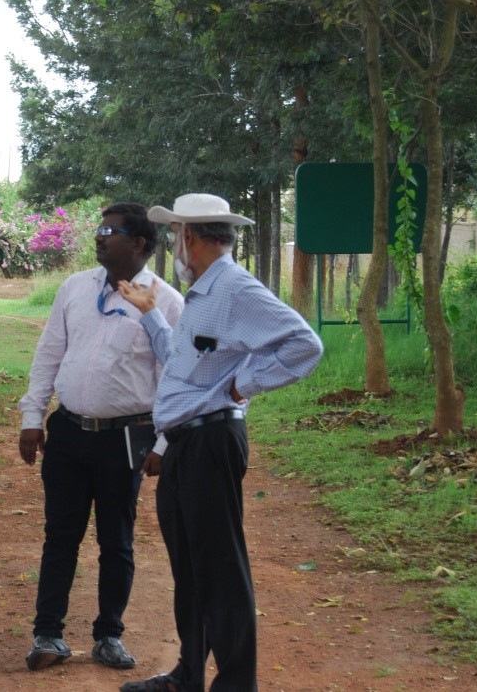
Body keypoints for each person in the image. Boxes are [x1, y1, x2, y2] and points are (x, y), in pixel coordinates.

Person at [116, 194, 323, 692]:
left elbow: (305, 345)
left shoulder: (234, 288)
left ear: (190, 237)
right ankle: (189, 674)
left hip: (212, 441)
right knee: (189, 566)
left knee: (221, 569)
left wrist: (243, 385)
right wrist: (151, 314)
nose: (173, 246)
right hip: (186, 443)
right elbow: (186, 365)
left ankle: (235, 684)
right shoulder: (204, 293)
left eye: (175, 236)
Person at [18, 203, 184, 672]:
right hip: (68, 432)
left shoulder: (166, 301)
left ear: (139, 243)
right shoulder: (75, 287)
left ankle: (109, 635)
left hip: (126, 439)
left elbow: (175, 376)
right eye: (99, 229)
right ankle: (47, 634)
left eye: (110, 231)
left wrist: (164, 443)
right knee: (60, 536)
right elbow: (49, 352)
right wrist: (33, 415)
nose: (99, 236)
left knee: (117, 541)